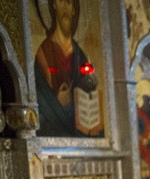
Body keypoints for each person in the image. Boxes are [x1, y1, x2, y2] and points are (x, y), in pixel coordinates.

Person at [34, 0, 101, 137]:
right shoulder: (43, 53)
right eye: (60, 1)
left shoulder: (81, 55)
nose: (65, 7)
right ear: (53, 5)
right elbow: (37, 99)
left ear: (74, 10)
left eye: (69, 3)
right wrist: (57, 102)